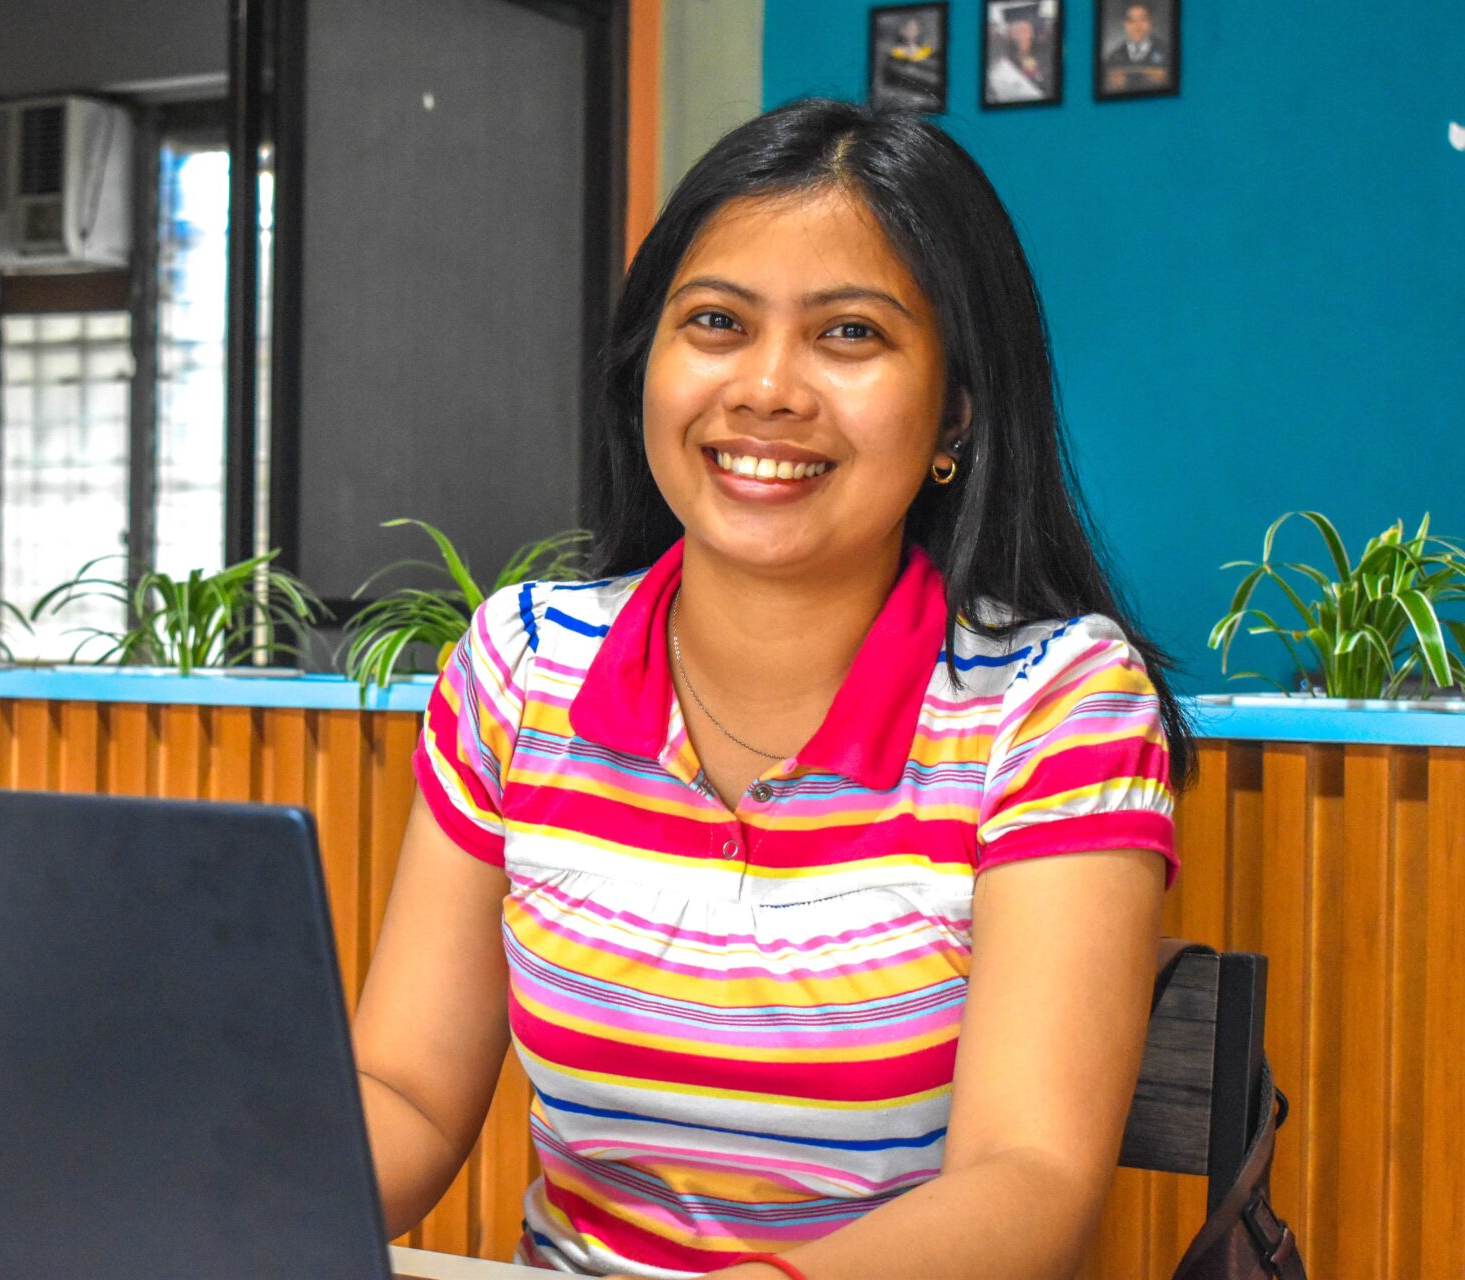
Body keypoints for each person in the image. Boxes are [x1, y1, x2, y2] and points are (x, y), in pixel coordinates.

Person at [352, 98, 1191, 1280]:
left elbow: (1030, 1179)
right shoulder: (518, 665)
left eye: (849, 334)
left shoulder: (1055, 702)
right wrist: (199, 1200)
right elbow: (405, 1091)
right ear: (648, 361)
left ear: (953, 405)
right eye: (715, 322)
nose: (767, 388)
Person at [1103, 3, 1171, 92]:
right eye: (1131, 20)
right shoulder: (1113, 56)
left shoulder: (1167, 52)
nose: (1137, 26)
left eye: (1142, 19)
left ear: (1150, 22)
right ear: (1124, 24)